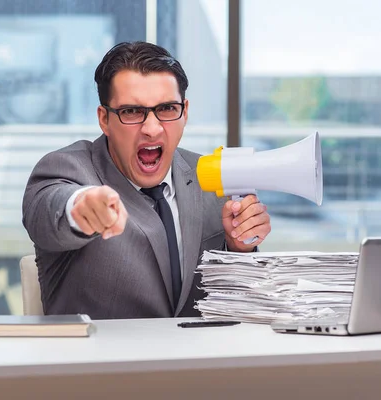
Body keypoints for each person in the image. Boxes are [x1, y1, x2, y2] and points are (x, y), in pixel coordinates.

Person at [22, 41, 271, 319]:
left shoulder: (209, 179)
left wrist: (239, 248)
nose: (152, 129)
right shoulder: (67, 168)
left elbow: (236, 302)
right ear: (104, 119)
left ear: (185, 112)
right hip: (102, 361)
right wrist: (80, 208)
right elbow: (48, 210)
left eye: (166, 108)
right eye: (131, 112)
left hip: (198, 360)